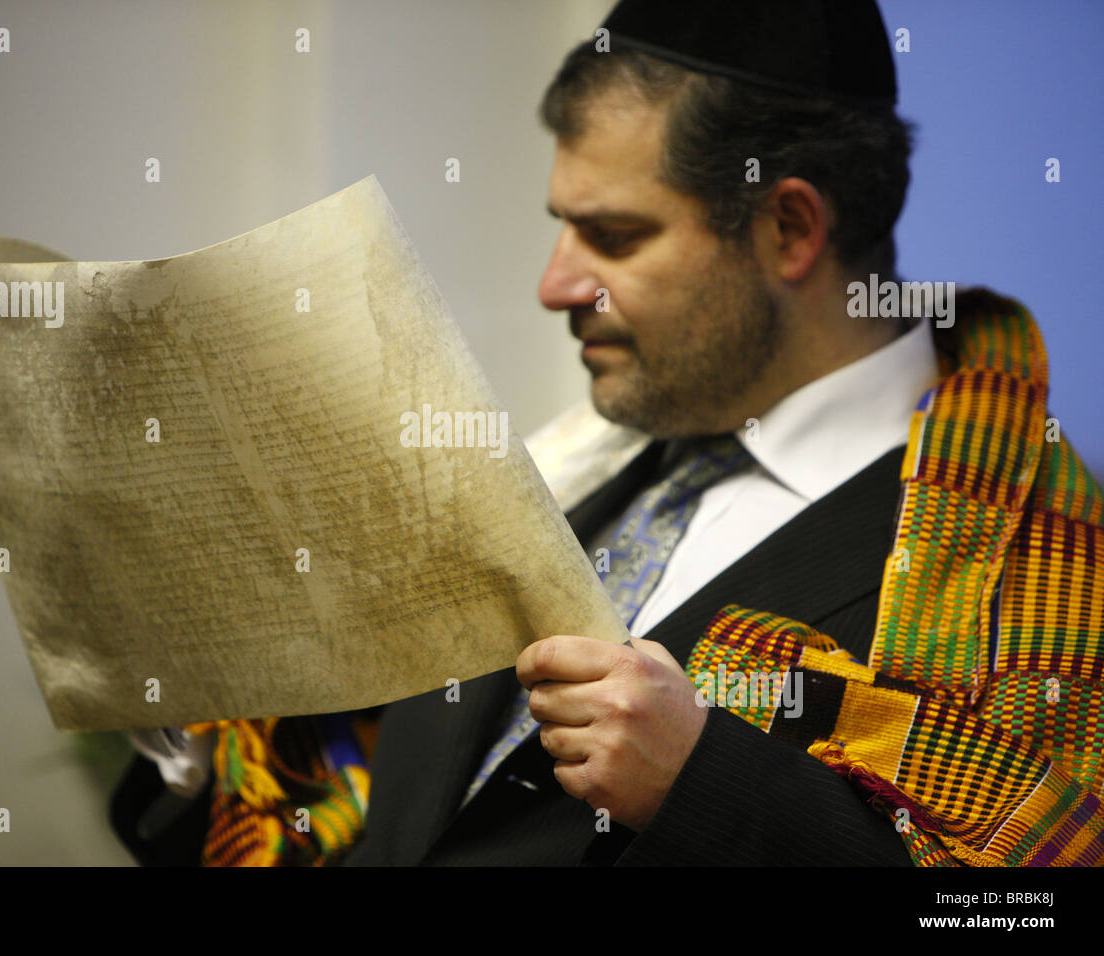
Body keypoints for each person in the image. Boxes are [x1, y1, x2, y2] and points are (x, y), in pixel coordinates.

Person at [112, 0, 1104, 867]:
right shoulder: (567, 466)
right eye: (562, 228)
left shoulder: (1039, 574)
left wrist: (704, 782)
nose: (554, 285)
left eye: (614, 237)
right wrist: (205, 715)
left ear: (790, 229)